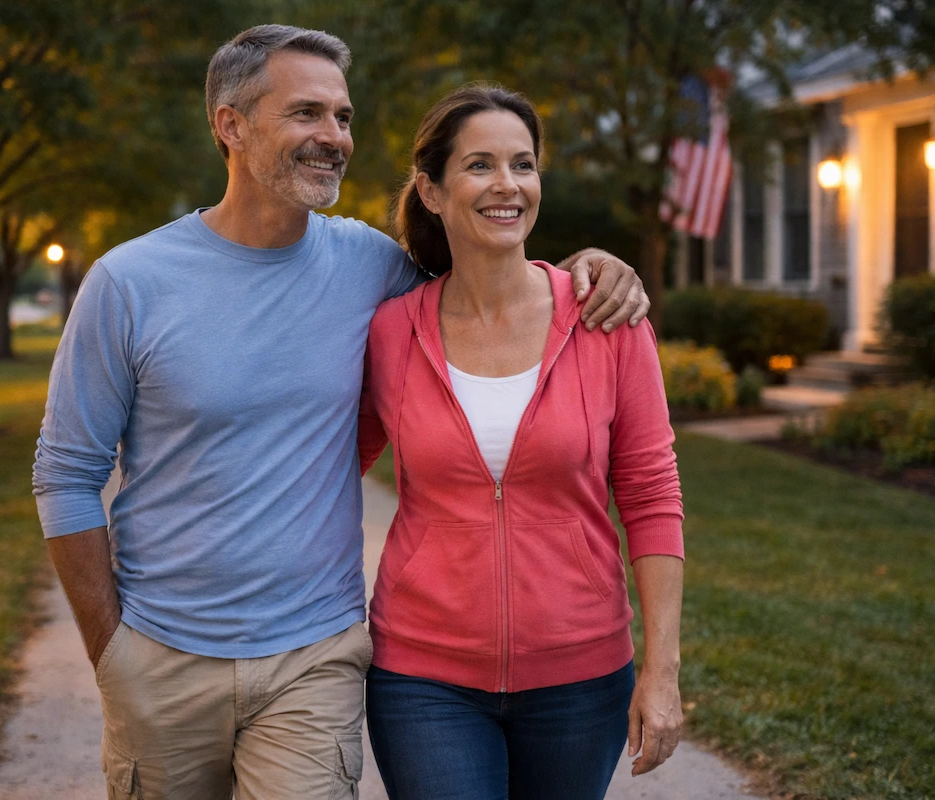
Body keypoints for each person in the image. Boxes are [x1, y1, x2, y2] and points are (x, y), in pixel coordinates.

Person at [32, 25, 649, 800]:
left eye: (343, 117)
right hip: (162, 654)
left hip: (314, 658)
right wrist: (110, 651)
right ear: (231, 125)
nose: (334, 137)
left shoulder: (369, 267)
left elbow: (486, 282)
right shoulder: (130, 282)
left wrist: (590, 270)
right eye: (307, 113)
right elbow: (65, 475)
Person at [357, 84, 685, 800]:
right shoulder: (390, 332)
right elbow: (327, 464)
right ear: (432, 191)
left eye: (523, 164)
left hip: (581, 678)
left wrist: (662, 672)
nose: (507, 184)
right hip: (422, 678)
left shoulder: (606, 320)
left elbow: (652, 494)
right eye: (479, 165)